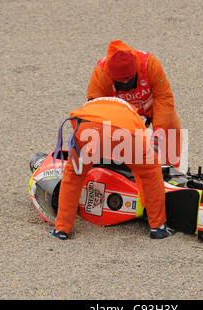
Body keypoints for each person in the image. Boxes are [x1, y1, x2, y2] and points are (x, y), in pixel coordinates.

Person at [51, 97, 175, 240]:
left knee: (73, 175)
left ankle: (61, 229)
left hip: (87, 128)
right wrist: (144, 200)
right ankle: (158, 227)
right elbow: (142, 166)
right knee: (150, 171)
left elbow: (75, 125)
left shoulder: (91, 104)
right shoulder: (132, 112)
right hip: (123, 130)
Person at [87, 40, 182, 168]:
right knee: (110, 138)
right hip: (118, 112)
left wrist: (159, 130)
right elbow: (95, 111)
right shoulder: (101, 74)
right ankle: (115, 169)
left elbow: (163, 97)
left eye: (130, 80)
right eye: (121, 83)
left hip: (151, 104)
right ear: (111, 77)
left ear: (137, 71)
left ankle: (171, 172)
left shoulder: (150, 64)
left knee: (171, 130)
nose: (126, 85)